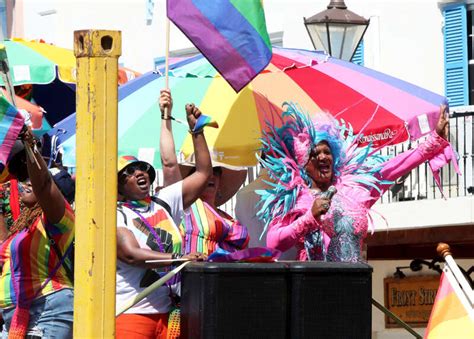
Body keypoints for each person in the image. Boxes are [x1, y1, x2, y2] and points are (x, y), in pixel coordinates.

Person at [257, 103, 458, 262]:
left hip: (355, 285)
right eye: (314, 154)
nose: (322, 157)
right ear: (303, 162)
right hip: (315, 290)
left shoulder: (356, 189)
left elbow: (395, 166)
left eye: (327, 151)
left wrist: (434, 141)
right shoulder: (297, 198)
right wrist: (309, 218)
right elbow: (273, 242)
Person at [115, 92, 212, 339]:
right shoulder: (116, 214)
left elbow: (202, 174)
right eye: (128, 172)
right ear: (116, 186)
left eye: (142, 168)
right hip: (131, 314)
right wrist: (180, 258)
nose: (139, 173)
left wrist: (197, 132)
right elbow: (131, 254)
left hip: (171, 314)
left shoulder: (163, 203)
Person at [0, 129, 75, 338]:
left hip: (48, 308)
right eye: (26, 179)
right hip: (14, 315)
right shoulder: (22, 227)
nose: (27, 183)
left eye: (34, 179)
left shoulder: (59, 217)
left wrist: (29, 145)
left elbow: (43, 184)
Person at [179, 155, 249, 256]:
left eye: (215, 172)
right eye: (204, 172)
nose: (211, 176)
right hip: (197, 270)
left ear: (220, 180)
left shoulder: (227, 216)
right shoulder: (186, 210)